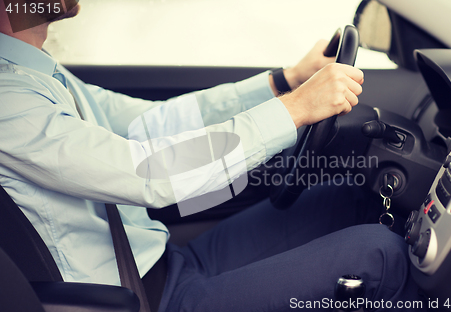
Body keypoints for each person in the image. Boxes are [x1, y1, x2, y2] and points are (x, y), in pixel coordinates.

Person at [0, 2, 425, 311]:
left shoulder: (41, 75)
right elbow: (149, 174)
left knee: (347, 198)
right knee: (378, 255)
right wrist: (296, 108)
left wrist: (283, 82)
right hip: (147, 299)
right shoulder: (8, 101)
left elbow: (151, 125)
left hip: (167, 261)